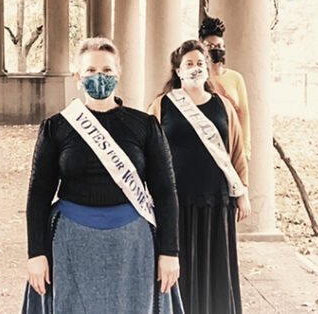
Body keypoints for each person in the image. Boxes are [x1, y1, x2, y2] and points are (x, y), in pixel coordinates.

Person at [24, 37, 183, 314]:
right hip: (70, 241)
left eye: (107, 70)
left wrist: (170, 251)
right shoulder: (56, 127)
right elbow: (38, 194)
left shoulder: (145, 126)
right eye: (91, 70)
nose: (100, 76)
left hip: (133, 244)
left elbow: (166, 192)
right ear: (77, 77)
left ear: (118, 73)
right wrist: (35, 253)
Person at [148, 40, 251, 314]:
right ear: (178, 71)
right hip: (175, 202)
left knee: (216, 270)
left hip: (216, 201)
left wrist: (243, 191)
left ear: (207, 69)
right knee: (177, 269)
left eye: (200, 63)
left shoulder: (223, 106)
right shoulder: (161, 105)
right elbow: (147, 153)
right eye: (189, 64)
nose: (195, 68)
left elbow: (237, 150)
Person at [199, 17, 252, 160]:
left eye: (218, 46)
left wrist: (245, 148)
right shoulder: (199, 79)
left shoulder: (235, 78)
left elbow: (243, 114)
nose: (215, 49)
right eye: (209, 46)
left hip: (231, 143)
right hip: (205, 143)